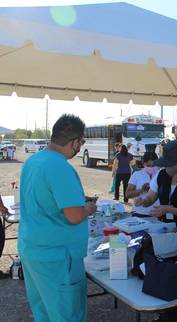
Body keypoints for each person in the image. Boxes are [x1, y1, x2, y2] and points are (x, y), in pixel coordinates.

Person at [18, 114, 97, 322]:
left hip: (33, 251)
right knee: (67, 315)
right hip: (58, 259)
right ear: (75, 142)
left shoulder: (33, 161)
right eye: (82, 142)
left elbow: (43, 200)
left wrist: (78, 201)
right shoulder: (60, 167)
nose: (81, 147)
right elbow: (73, 215)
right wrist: (88, 208)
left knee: (44, 311)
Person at [135, 140, 177, 322]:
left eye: (168, 163)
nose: (165, 167)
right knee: (165, 275)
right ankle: (167, 315)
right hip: (165, 232)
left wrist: (169, 209)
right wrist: (144, 201)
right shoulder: (161, 176)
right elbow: (151, 197)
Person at [126, 152, 160, 217]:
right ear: (143, 164)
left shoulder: (161, 174)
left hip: (157, 214)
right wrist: (141, 190)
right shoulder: (137, 174)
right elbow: (128, 194)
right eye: (148, 165)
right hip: (139, 213)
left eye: (153, 165)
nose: (151, 167)